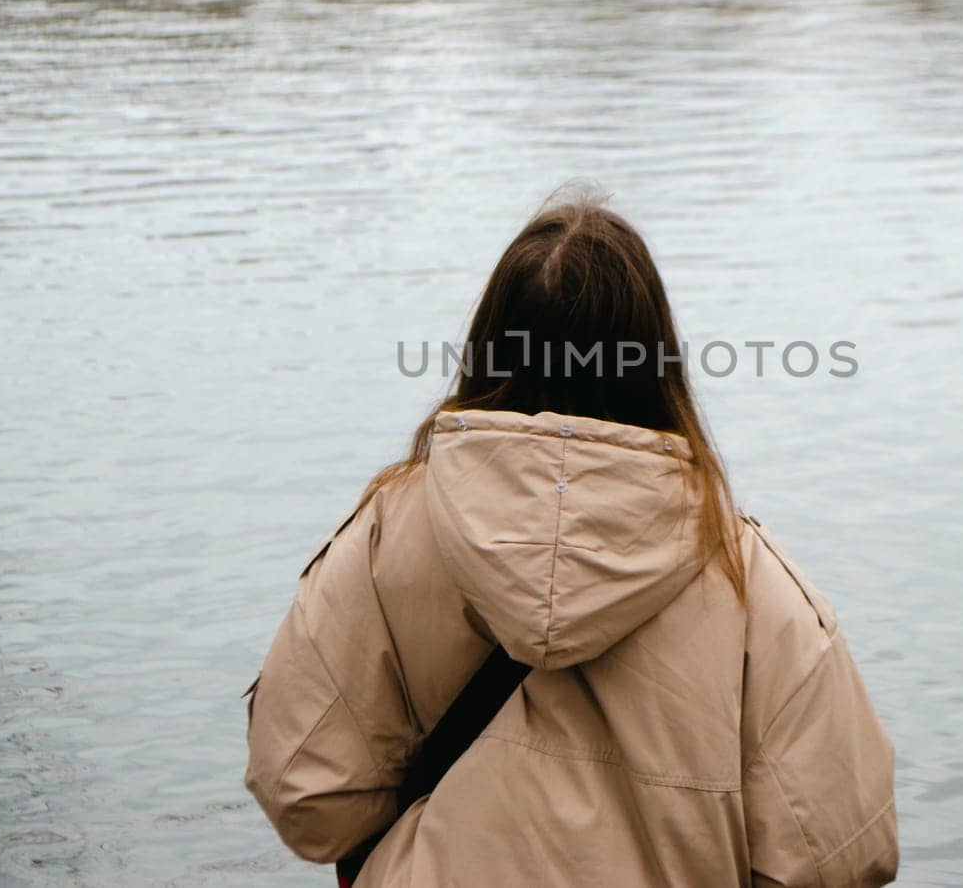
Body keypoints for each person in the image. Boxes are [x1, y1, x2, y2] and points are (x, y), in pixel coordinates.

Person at [243, 192, 899, 886]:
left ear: (489, 346)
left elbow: (308, 793)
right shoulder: (753, 588)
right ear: (657, 361)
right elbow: (840, 851)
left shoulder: (385, 540)